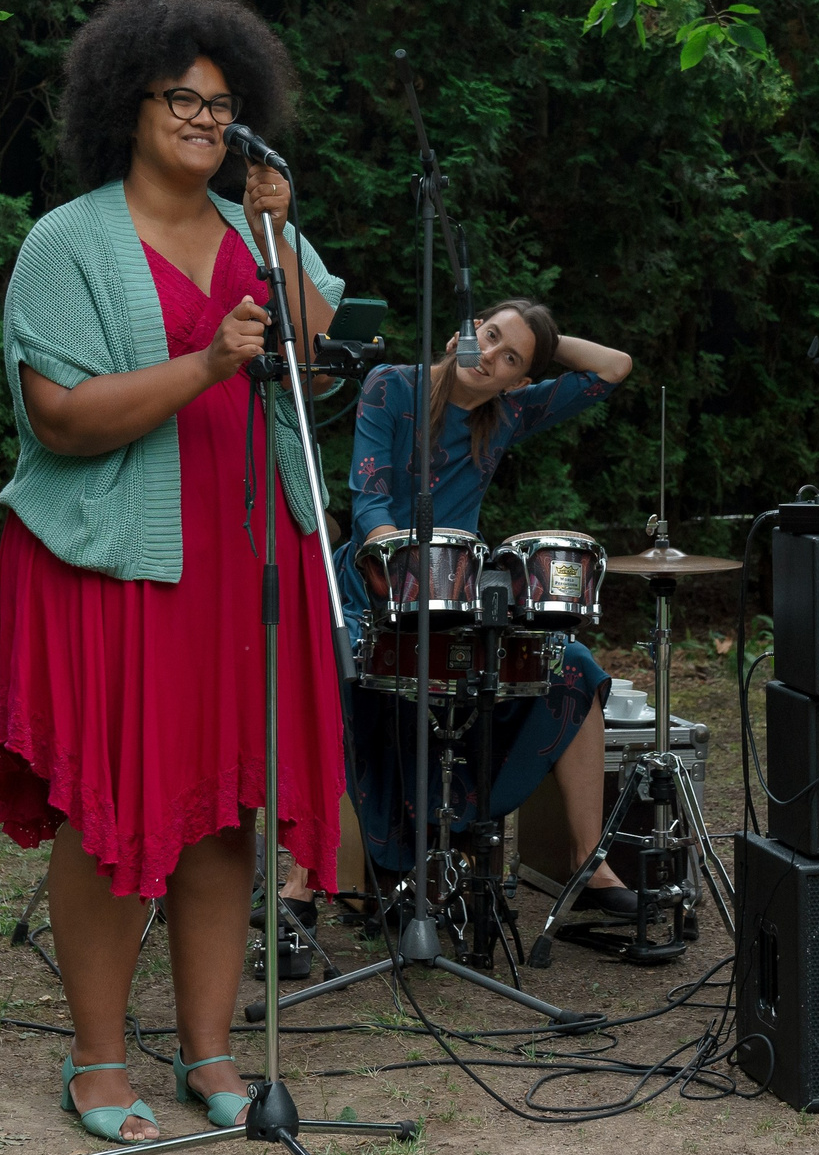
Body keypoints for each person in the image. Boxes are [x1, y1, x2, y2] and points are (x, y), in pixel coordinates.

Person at [0, 0, 347, 1144]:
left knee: (221, 807)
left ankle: (210, 1049)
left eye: (221, 101)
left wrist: (279, 236)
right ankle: (96, 1060)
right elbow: (61, 422)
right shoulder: (69, 240)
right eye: (178, 98)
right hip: (117, 563)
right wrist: (201, 365)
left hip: (247, 551)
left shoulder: (257, 231)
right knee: (107, 804)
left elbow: (310, 354)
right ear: (125, 104)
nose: (202, 117)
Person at [270, 299, 637, 929]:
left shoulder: (510, 411)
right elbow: (369, 497)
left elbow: (613, 368)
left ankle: (588, 859)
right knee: (331, 671)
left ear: (519, 381)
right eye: (488, 336)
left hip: (458, 601)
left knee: (572, 665)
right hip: (372, 589)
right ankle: (303, 874)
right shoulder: (393, 387)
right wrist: (401, 567)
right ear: (459, 333)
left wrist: (539, 345)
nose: (489, 356)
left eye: (509, 358)